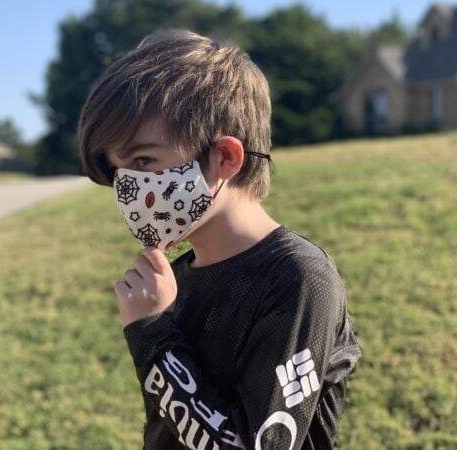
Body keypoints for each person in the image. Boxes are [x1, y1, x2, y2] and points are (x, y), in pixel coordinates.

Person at [77, 29, 361, 449]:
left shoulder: (299, 280)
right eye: (120, 171)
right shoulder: (174, 280)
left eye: (144, 160)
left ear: (225, 156)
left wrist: (153, 336)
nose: (130, 190)